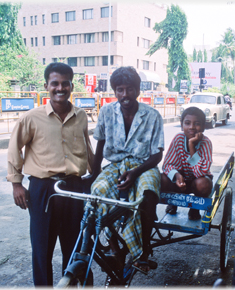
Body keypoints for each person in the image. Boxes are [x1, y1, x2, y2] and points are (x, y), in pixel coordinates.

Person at [6, 62, 95, 286]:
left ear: (71, 86)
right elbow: (14, 148)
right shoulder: (31, 118)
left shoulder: (81, 116)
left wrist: (98, 176)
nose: (60, 88)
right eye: (55, 83)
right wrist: (17, 184)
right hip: (43, 190)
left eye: (65, 84)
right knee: (42, 248)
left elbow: (87, 148)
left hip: (74, 188)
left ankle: (71, 285)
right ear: (46, 86)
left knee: (74, 246)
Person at [87, 66, 164, 275]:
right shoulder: (106, 112)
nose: (125, 95)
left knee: (147, 193)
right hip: (116, 165)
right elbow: (100, 145)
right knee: (98, 192)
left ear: (138, 90)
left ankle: (144, 251)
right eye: (120, 89)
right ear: (114, 91)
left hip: (144, 165)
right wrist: (94, 173)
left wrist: (136, 172)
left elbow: (157, 155)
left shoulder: (153, 116)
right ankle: (115, 249)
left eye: (129, 89)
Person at [161, 107, 213, 220]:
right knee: (161, 179)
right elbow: (167, 165)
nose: (192, 127)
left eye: (197, 124)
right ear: (181, 125)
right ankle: (173, 203)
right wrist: (176, 175)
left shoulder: (206, 143)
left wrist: (191, 146)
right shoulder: (178, 138)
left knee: (203, 184)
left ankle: (195, 208)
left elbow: (201, 173)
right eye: (187, 123)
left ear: (203, 127)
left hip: (197, 182)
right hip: (180, 181)